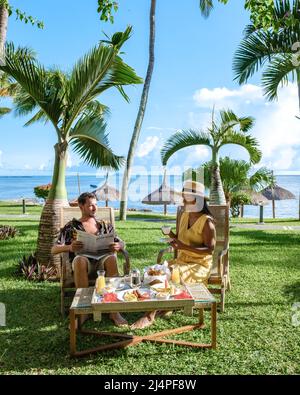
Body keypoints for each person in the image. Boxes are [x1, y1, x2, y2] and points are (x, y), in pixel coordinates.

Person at [131, 180, 216, 330]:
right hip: (181, 260)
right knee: (153, 271)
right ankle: (164, 305)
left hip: (199, 265)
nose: (183, 201)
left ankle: (149, 315)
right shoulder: (185, 215)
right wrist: (170, 235)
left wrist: (183, 246)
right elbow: (180, 238)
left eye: (185, 198)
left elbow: (210, 250)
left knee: (166, 275)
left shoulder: (207, 222)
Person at [51, 192, 128, 327]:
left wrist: (119, 245)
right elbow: (54, 249)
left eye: (96, 205)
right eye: (91, 205)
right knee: (80, 260)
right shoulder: (72, 226)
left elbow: (122, 242)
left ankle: (114, 311)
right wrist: (69, 247)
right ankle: (83, 310)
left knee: (111, 259)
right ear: (81, 206)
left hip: (102, 263)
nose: (95, 208)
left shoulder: (104, 225)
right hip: (84, 263)